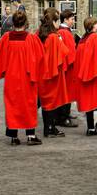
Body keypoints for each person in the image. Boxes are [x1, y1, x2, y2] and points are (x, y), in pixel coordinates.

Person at [0, 10, 44, 145]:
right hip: (27, 78)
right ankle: (31, 135)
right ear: (26, 23)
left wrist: (1, 72)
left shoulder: (6, 38)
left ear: (12, 23)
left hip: (11, 78)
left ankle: (13, 136)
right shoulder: (32, 39)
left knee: (12, 105)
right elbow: (40, 59)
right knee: (29, 105)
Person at [36, 8, 71, 138]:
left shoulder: (39, 34)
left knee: (45, 102)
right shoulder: (54, 37)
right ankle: (49, 129)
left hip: (41, 72)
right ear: (54, 22)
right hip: (52, 73)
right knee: (51, 101)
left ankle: (49, 128)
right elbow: (64, 53)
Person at [55, 10, 80, 127]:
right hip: (68, 67)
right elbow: (69, 52)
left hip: (66, 66)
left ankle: (65, 114)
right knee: (67, 92)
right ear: (65, 20)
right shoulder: (64, 32)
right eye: (72, 19)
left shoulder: (62, 31)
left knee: (67, 92)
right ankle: (63, 117)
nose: (73, 21)